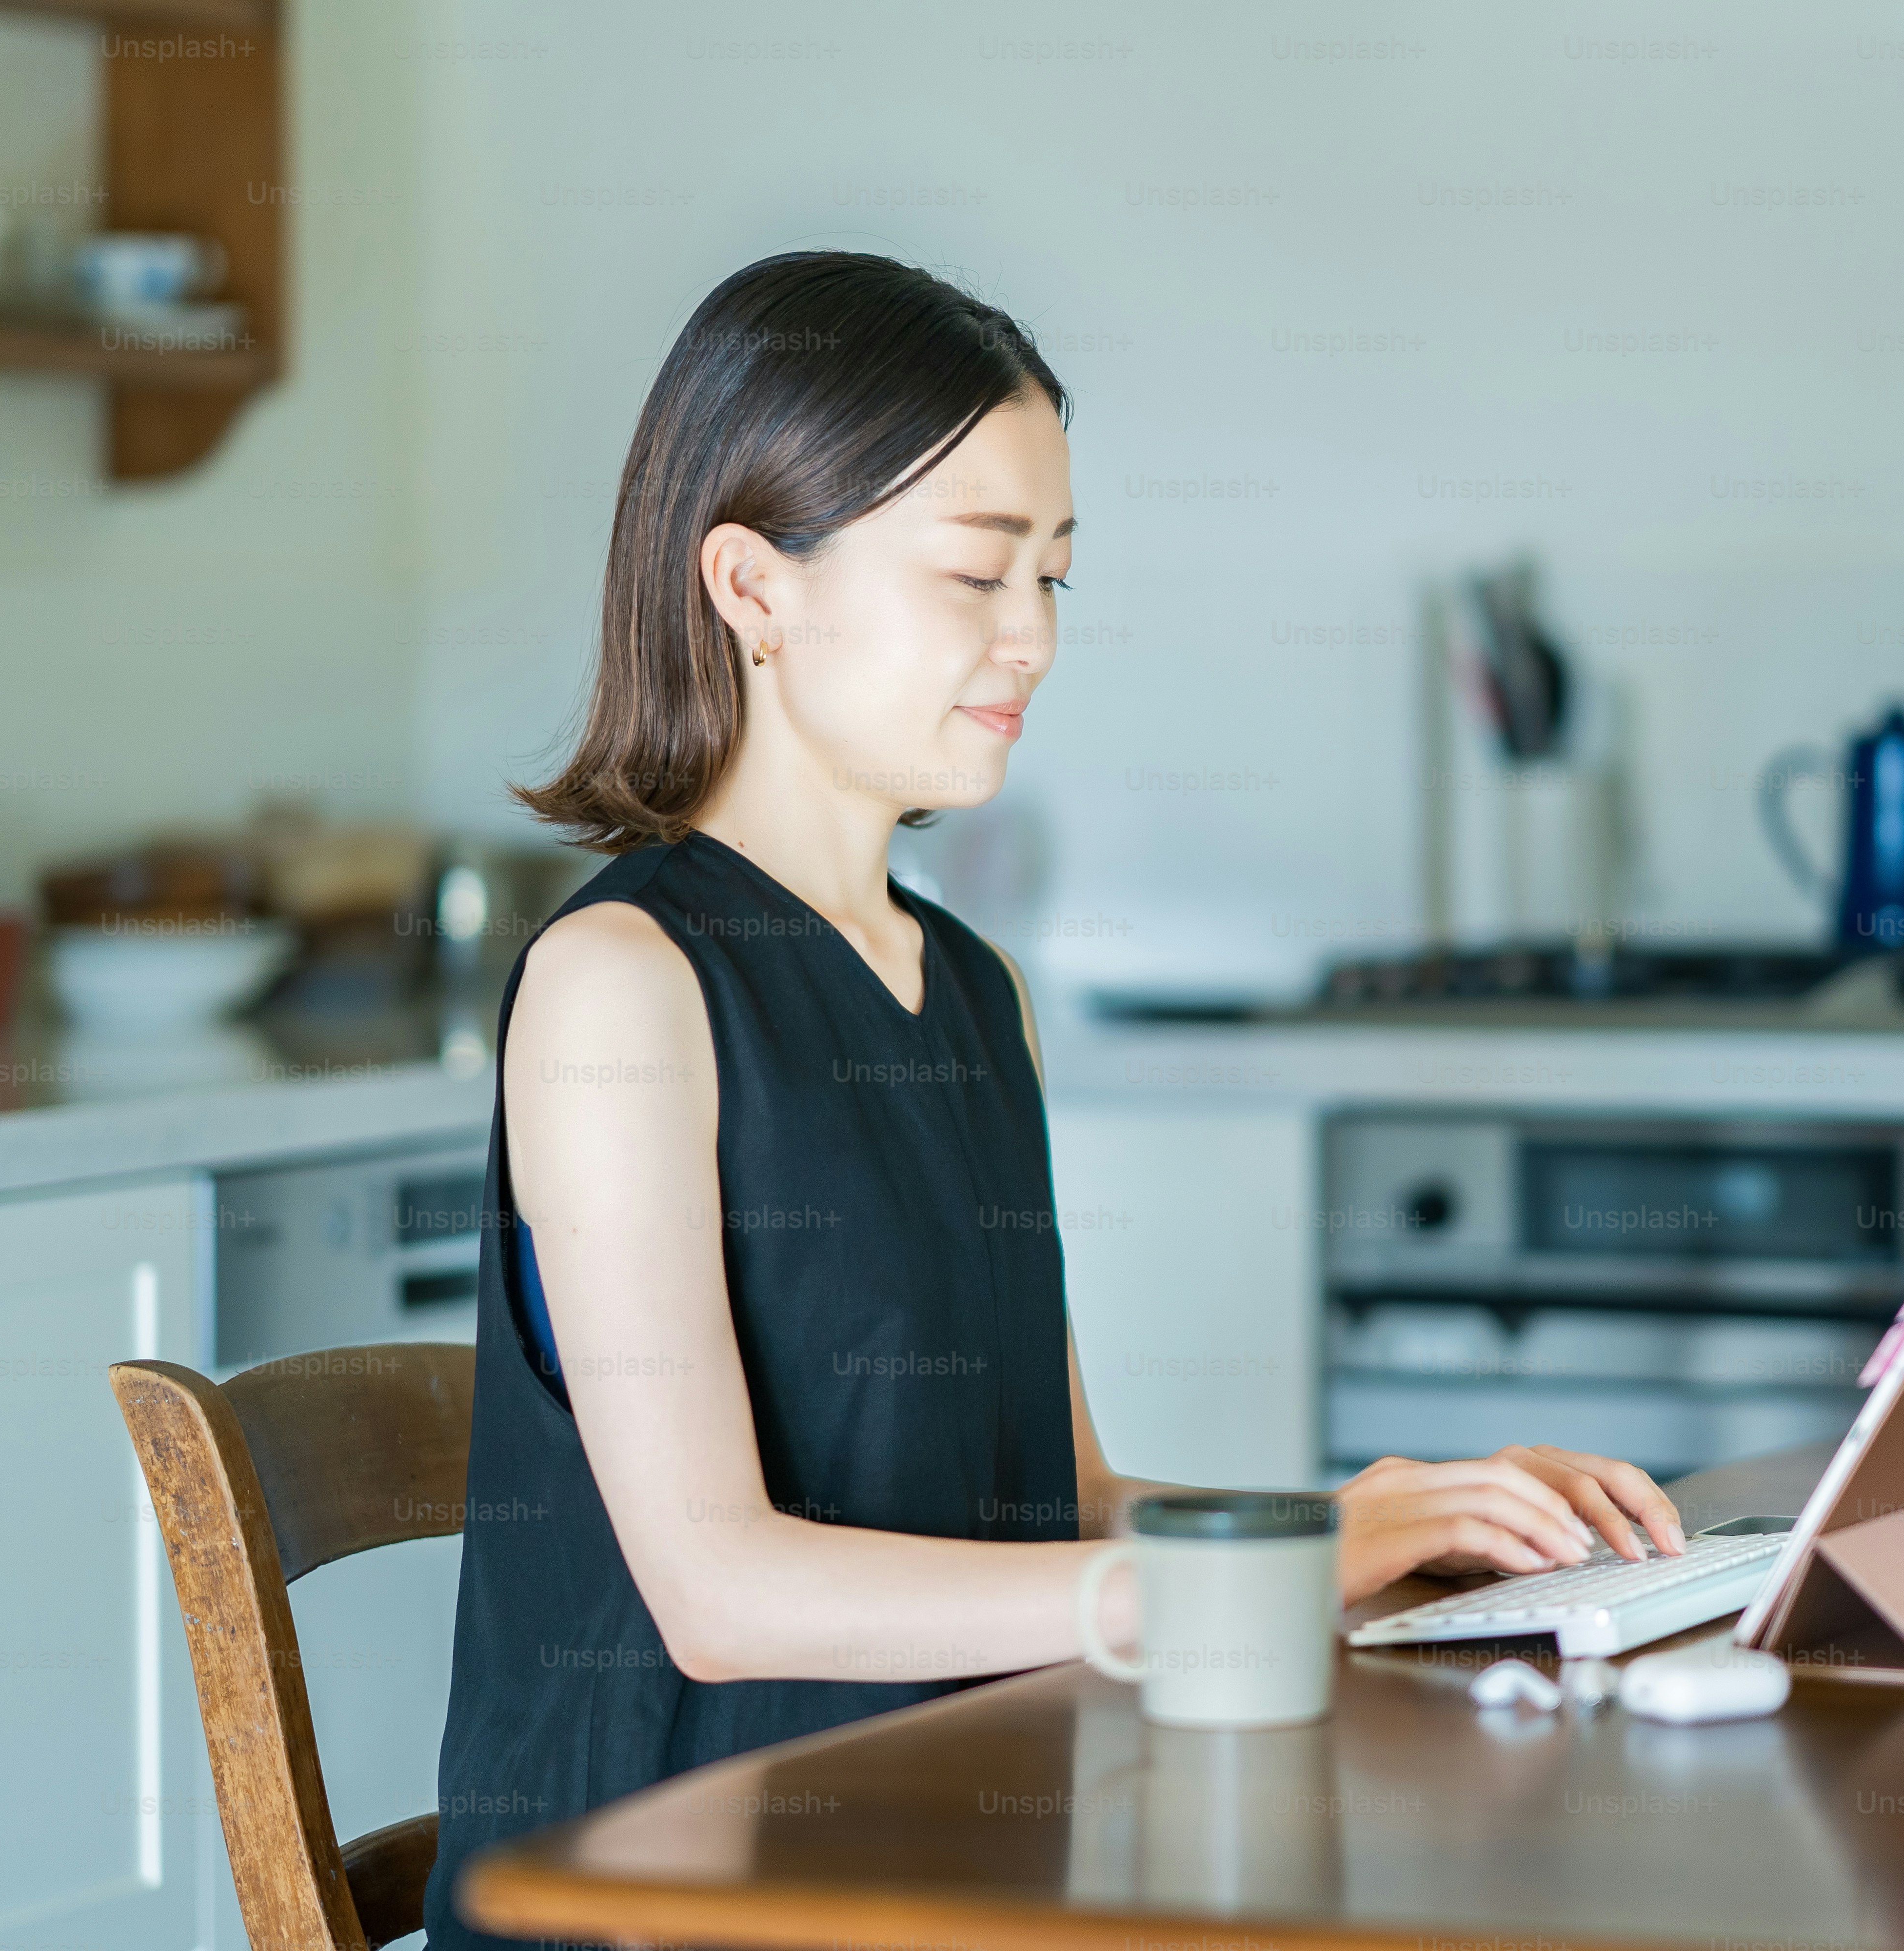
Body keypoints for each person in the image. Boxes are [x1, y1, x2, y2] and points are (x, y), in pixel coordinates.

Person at [422, 250, 1687, 1949]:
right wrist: (1261, 1580)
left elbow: (1068, 1503)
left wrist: (1391, 1521)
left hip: (954, 1857)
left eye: (1057, 578)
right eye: (975, 575)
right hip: (680, 1900)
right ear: (751, 585)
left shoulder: (971, 991)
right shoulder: (624, 987)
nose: (1034, 639)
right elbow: (719, 1593)